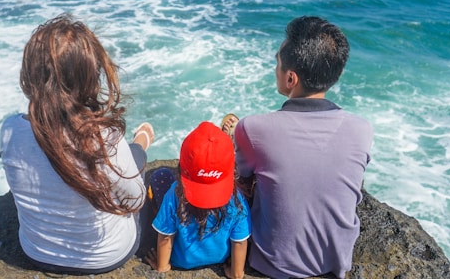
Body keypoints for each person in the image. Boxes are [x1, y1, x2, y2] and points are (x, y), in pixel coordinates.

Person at [0, 14, 155, 274]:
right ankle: (141, 142)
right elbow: (134, 201)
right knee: (137, 166)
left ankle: (139, 146)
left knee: (127, 159)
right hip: (105, 257)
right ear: (89, 77)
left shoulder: (11, 129)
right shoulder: (103, 138)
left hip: (37, 252)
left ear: (29, 75)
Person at [232, 16, 373, 279]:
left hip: (273, 264)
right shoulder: (362, 129)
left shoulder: (252, 128)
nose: (275, 68)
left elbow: (242, 178)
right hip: (336, 262)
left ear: (290, 79)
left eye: (277, 63)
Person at [145, 121, 251, 279]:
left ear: (182, 165)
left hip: (180, 260)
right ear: (233, 169)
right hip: (221, 258)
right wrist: (236, 273)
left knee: (160, 175)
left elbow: (165, 236)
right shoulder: (237, 199)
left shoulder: (174, 194)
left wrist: (163, 266)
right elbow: (240, 242)